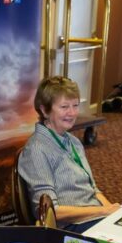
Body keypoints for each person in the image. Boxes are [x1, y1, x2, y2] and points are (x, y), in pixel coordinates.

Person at [18, 76, 116, 232]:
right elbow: (49, 211)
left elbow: (93, 189)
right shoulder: (36, 149)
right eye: (64, 107)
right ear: (44, 110)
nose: (72, 113)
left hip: (94, 216)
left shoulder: (73, 142)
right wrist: (103, 212)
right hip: (71, 228)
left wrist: (113, 213)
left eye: (75, 105)